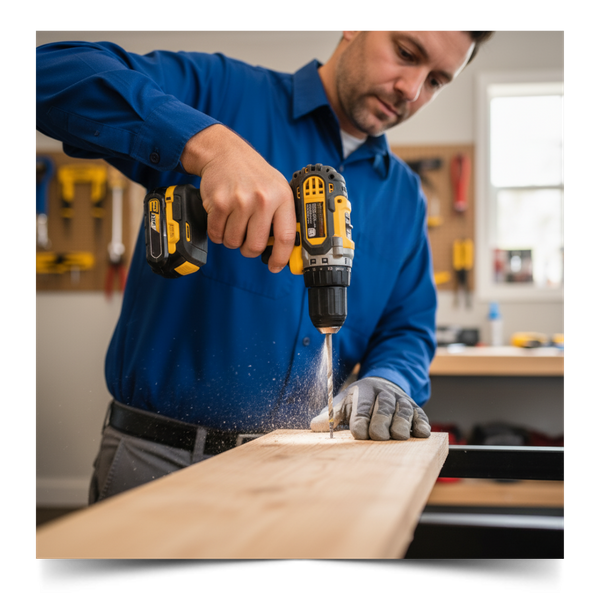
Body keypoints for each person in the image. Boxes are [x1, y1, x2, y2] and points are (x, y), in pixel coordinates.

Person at [34, 28, 495, 502]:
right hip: (158, 462)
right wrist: (211, 147)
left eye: (437, 80)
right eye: (405, 53)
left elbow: (408, 328)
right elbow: (48, 72)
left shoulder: (404, 196)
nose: (412, 90)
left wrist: (387, 380)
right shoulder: (219, 92)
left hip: (303, 470)